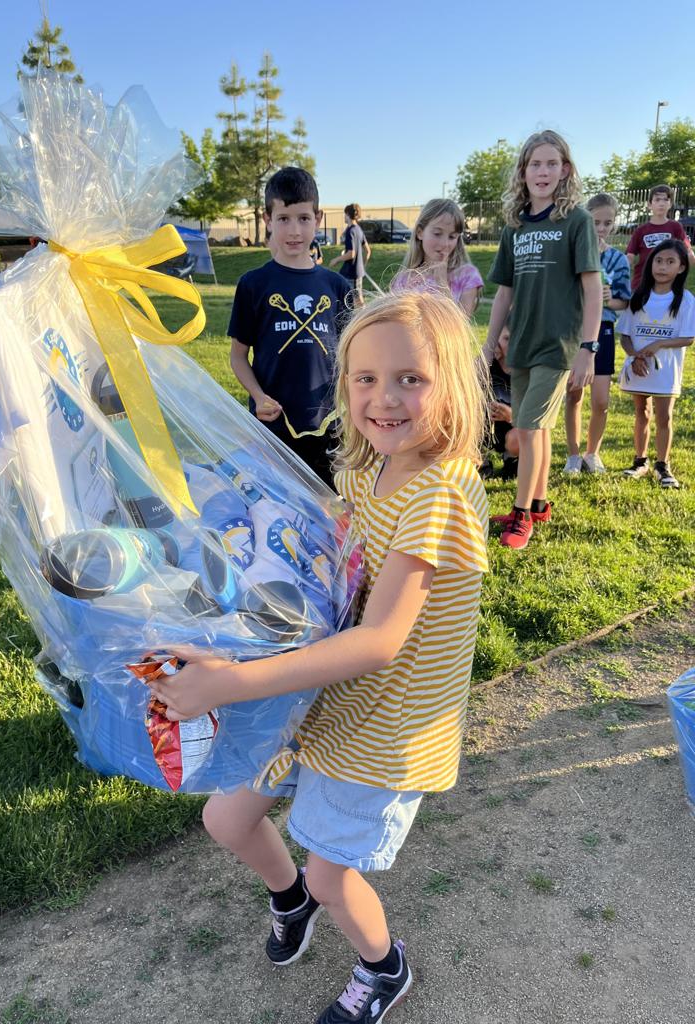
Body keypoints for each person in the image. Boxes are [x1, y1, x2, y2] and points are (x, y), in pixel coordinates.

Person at [150, 290, 488, 1024]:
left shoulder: (440, 495)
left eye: (410, 379)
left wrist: (232, 683)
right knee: (227, 821)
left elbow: (380, 640)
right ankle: (290, 897)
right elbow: (331, 563)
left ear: (453, 386)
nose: (384, 397)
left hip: (385, 729)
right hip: (321, 699)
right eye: (366, 378)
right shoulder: (369, 471)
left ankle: (383, 967)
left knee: (334, 876)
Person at [482, 129, 602, 549]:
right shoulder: (515, 226)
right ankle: (538, 503)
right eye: (535, 164)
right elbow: (504, 293)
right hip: (522, 345)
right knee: (541, 429)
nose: (543, 171)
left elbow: (592, 288)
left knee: (528, 427)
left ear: (565, 170)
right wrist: (489, 344)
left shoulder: (577, 221)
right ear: (523, 171)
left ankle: (520, 517)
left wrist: (588, 348)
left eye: (552, 163)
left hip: (559, 345)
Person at [228, 167, 350, 487]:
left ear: (318, 219)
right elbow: (238, 356)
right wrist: (258, 396)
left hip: (329, 422)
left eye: (303, 218)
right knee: (277, 505)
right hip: (273, 424)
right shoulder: (253, 285)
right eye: (283, 219)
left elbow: (355, 356)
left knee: (330, 504)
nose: (294, 230)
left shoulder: (337, 286)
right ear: (268, 219)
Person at [563, 193, 632, 475]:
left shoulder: (618, 259)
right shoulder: (572, 254)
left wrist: (608, 299)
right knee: (574, 395)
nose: (601, 228)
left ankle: (593, 453)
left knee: (601, 401)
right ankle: (573, 455)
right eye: (595, 222)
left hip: (602, 331)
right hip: (575, 331)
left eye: (607, 223)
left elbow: (624, 302)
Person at [617, 239, 694, 490]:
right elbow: (625, 335)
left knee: (664, 416)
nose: (662, 266)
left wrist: (659, 343)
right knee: (642, 412)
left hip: (666, 370)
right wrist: (635, 356)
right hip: (639, 367)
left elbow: (688, 338)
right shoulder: (638, 297)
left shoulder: (685, 300)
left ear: (681, 268)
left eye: (670, 262)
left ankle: (663, 465)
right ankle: (640, 461)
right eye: (658, 261)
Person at [391, 198, 483, 317]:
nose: (445, 243)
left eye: (452, 237)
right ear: (420, 232)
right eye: (437, 234)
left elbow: (459, 325)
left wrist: (442, 284)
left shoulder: (467, 276)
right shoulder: (404, 279)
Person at [627, 185, 694, 291]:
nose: (661, 203)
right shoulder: (641, 230)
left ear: (670, 204)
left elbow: (688, 253)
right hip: (642, 282)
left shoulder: (675, 227)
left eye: (666, 200)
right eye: (657, 200)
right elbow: (630, 255)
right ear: (649, 204)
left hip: (668, 284)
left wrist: (679, 274)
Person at [479, 323, 519, 480]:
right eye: (507, 339)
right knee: (463, 420)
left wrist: (511, 416)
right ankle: (481, 461)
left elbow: (534, 418)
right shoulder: (488, 366)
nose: (513, 344)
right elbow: (465, 378)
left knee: (520, 435)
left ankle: (511, 458)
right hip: (483, 427)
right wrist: (486, 354)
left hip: (511, 428)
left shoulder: (526, 372)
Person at [329, 203, 370, 308]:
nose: (344, 217)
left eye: (345, 214)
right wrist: (363, 266)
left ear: (347, 214)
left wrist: (336, 259)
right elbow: (368, 251)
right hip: (351, 272)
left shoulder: (350, 231)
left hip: (352, 274)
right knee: (347, 297)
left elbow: (351, 254)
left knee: (356, 300)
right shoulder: (359, 230)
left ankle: (365, 316)